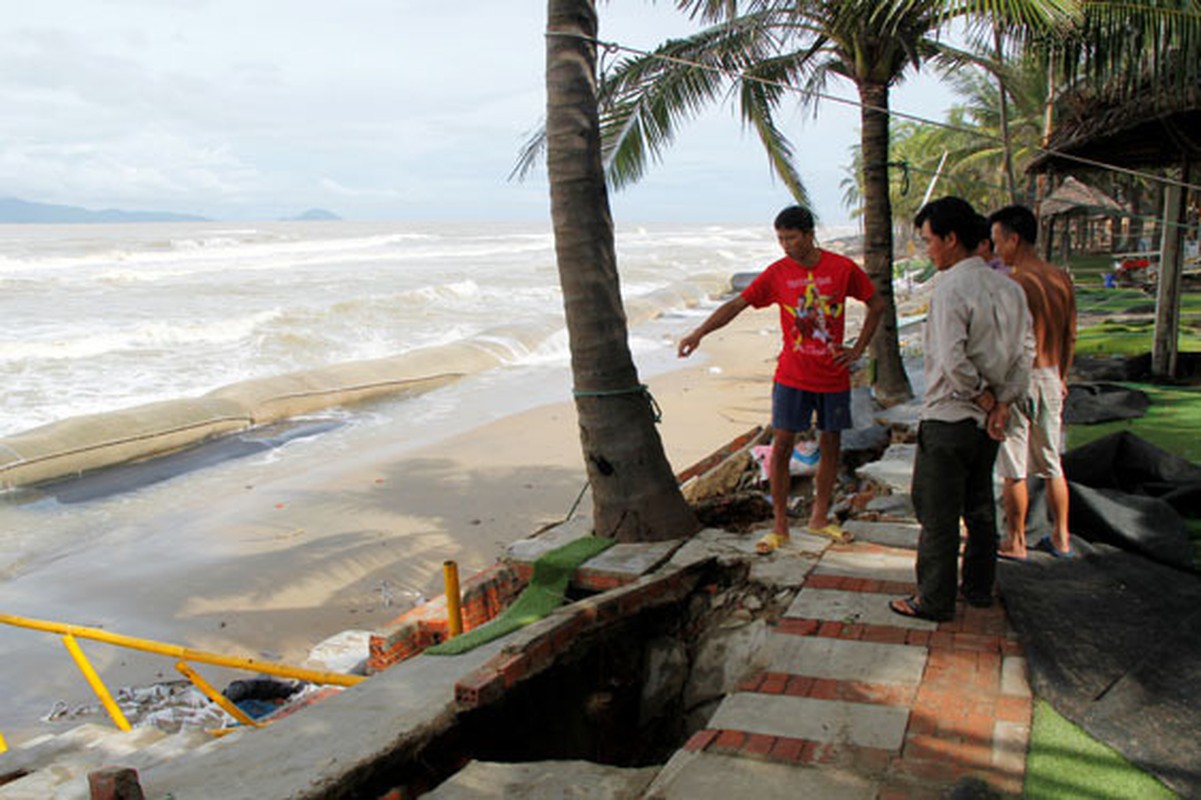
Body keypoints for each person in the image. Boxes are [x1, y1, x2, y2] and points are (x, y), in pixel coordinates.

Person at [678, 205, 885, 553]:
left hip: (832, 376)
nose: (786, 245)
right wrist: (699, 332)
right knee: (783, 444)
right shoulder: (777, 273)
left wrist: (857, 349)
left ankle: (820, 518)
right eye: (780, 239)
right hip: (792, 376)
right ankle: (780, 526)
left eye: (791, 238)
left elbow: (876, 304)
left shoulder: (842, 268)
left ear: (808, 234)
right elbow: (737, 305)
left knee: (830, 444)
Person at [890, 197, 1033, 622]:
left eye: (929, 240)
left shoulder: (951, 287)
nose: (927, 250)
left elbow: (953, 362)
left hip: (950, 417)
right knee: (980, 507)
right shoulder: (1010, 288)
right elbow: (1026, 354)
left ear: (951, 239)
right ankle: (977, 589)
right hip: (986, 422)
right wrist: (1002, 403)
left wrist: (987, 399)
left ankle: (934, 599)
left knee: (937, 512)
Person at [989, 204, 1078, 559]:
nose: (996, 250)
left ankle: (1016, 540)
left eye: (997, 241)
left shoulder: (1014, 284)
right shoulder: (1060, 278)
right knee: (1052, 462)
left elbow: (1006, 344)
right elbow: (1071, 334)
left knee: (1014, 468)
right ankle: (1062, 537)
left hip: (1021, 380)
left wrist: (1000, 395)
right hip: (1053, 374)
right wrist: (1063, 375)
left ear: (1014, 238)